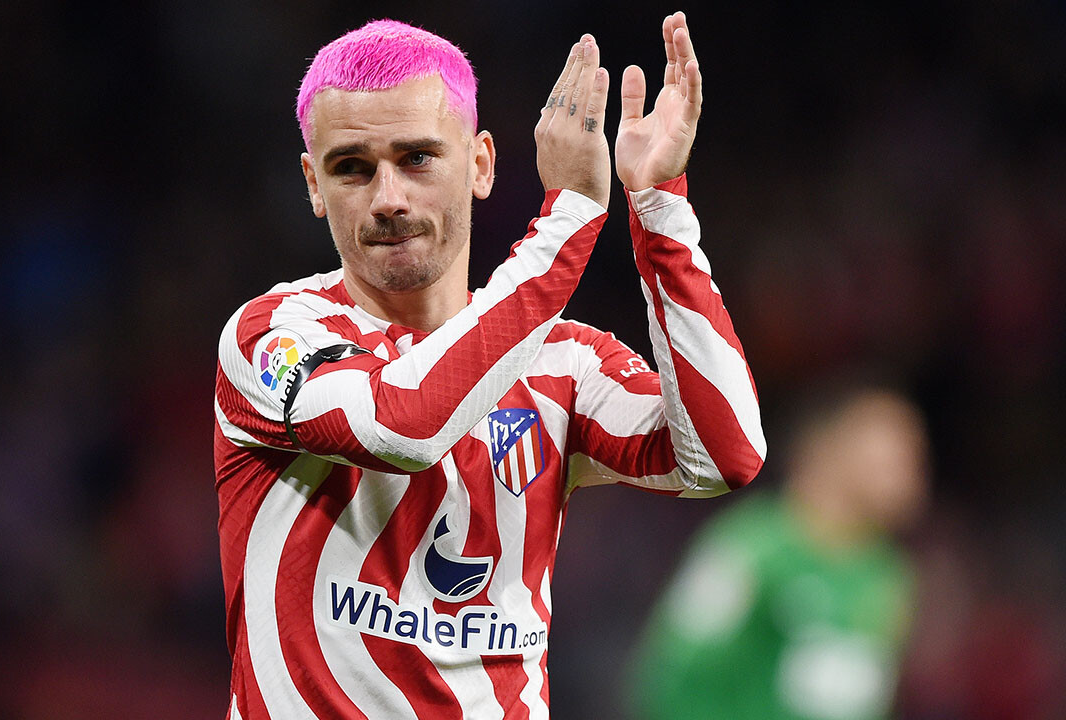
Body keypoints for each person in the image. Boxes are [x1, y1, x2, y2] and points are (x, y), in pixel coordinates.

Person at [213, 12, 765, 718]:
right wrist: (566, 220)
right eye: (352, 167)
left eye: (417, 158)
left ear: (480, 164)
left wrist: (660, 206)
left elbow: (723, 456)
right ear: (313, 185)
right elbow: (405, 425)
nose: (388, 199)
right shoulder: (271, 337)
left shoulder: (563, 362)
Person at [627, 383, 930, 720]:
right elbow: (674, 670)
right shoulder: (752, 548)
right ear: (830, 448)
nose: (909, 472)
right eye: (894, 453)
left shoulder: (888, 575)